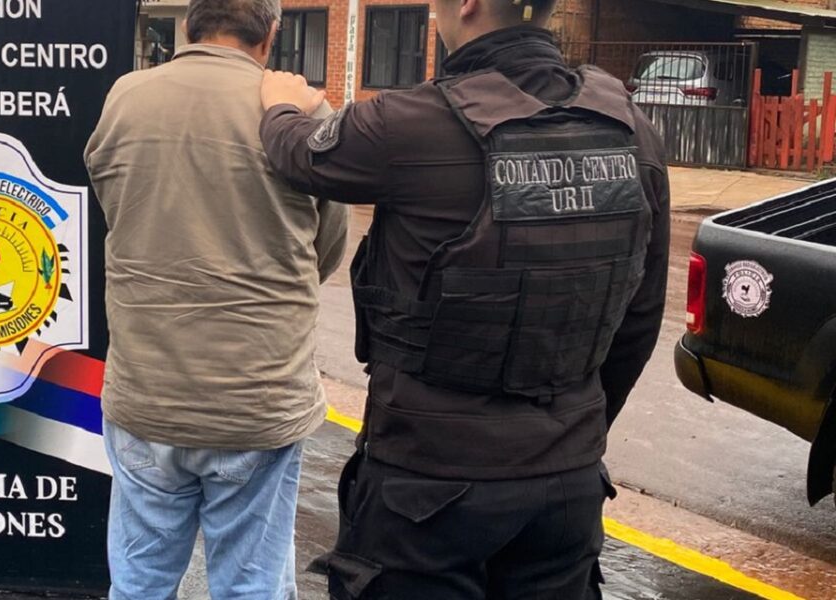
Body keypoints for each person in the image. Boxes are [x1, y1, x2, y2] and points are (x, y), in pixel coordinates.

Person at [258, 0, 670, 597]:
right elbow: (640, 314)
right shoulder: (631, 126)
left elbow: (301, 154)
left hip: (426, 488)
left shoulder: (408, 122)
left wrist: (279, 104)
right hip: (566, 487)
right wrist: (571, 428)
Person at [84, 1, 348, 598]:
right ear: (271, 34)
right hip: (257, 399)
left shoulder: (127, 97)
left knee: (139, 584)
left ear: (188, 26)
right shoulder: (301, 113)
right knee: (251, 586)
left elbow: (115, 211)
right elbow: (325, 253)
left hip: (147, 394)